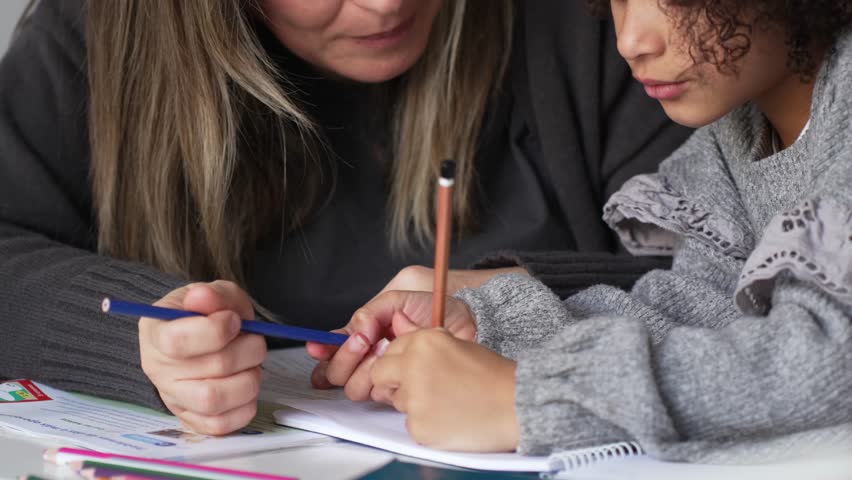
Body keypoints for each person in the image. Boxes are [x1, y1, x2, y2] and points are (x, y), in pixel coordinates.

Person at [0, 0, 688, 434]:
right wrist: (143, 340)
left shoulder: (599, 20)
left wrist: (514, 297)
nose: (385, 5)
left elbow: (733, 275)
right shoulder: (99, 30)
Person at [319, 0, 852, 462]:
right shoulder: (733, 137)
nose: (630, 41)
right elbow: (698, 315)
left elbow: (830, 360)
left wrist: (529, 400)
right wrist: (490, 325)